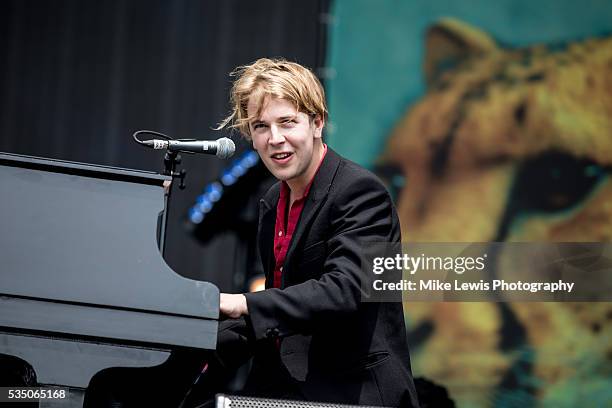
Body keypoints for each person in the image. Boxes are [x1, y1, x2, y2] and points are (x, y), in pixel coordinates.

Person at [213, 58, 420, 407]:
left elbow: (345, 291)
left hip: (355, 392)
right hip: (288, 385)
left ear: (317, 123)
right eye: (261, 126)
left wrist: (243, 303)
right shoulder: (272, 200)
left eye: (287, 122)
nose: (275, 139)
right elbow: (284, 308)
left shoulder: (360, 192)